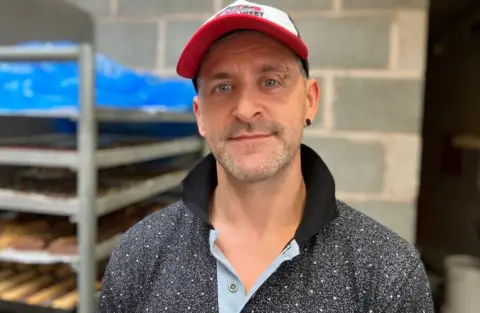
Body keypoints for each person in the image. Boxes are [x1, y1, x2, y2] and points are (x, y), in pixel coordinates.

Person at [98, 1, 435, 312]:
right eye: (223, 87)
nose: (245, 110)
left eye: (271, 81)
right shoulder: (139, 255)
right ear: (200, 115)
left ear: (310, 100)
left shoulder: (387, 272)